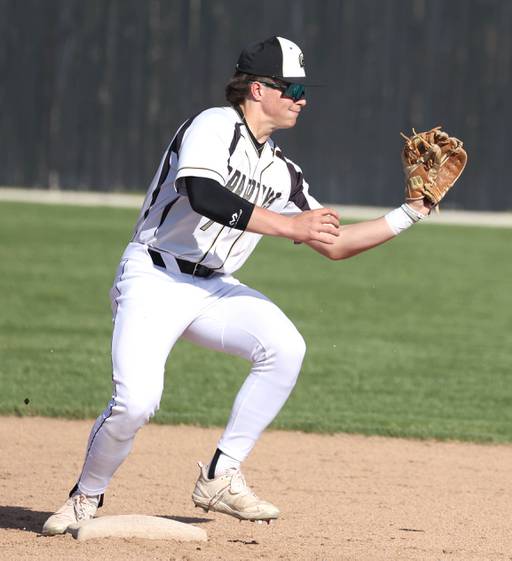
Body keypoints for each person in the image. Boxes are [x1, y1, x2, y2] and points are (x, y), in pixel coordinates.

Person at [42, 35, 432, 534]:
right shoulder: (213, 125)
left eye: (302, 89)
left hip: (214, 288)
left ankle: (220, 474)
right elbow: (201, 192)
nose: (301, 98)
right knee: (136, 401)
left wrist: (411, 213)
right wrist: (289, 226)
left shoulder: (283, 171)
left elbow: (333, 243)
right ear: (255, 89)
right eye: (291, 87)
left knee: (285, 347)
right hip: (153, 277)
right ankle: (86, 495)